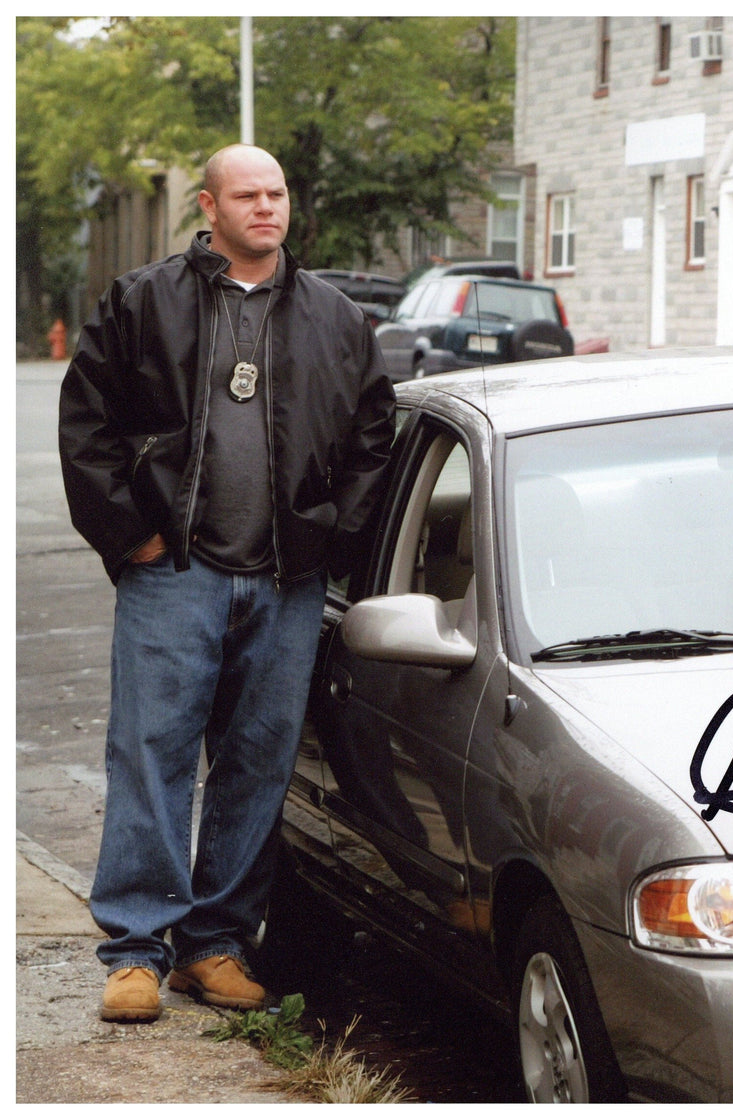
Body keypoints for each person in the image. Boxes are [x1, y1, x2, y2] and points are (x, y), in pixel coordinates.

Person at [58, 143, 397, 1023]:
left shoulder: (335, 318)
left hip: (285, 583)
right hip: (175, 575)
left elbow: (372, 437)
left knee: (256, 766)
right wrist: (130, 535)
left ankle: (212, 947)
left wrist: (329, 537)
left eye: (277, 193)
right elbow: (87, 422)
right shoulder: (143, 302)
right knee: (151, 757)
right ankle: (135, 950)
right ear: (208, 206)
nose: (267, 208)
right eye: (247, 195)